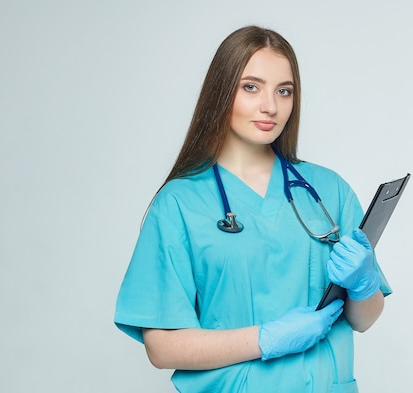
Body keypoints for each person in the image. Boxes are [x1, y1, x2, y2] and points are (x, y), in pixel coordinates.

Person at [114, 25, 391, 393]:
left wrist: (363, 283)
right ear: (221, 92)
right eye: (251, 87)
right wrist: (265, 338)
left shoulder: (328, 190)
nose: (270, 106)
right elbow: (162, 347)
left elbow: (364, 319)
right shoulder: (179, 204)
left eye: (284, 91)